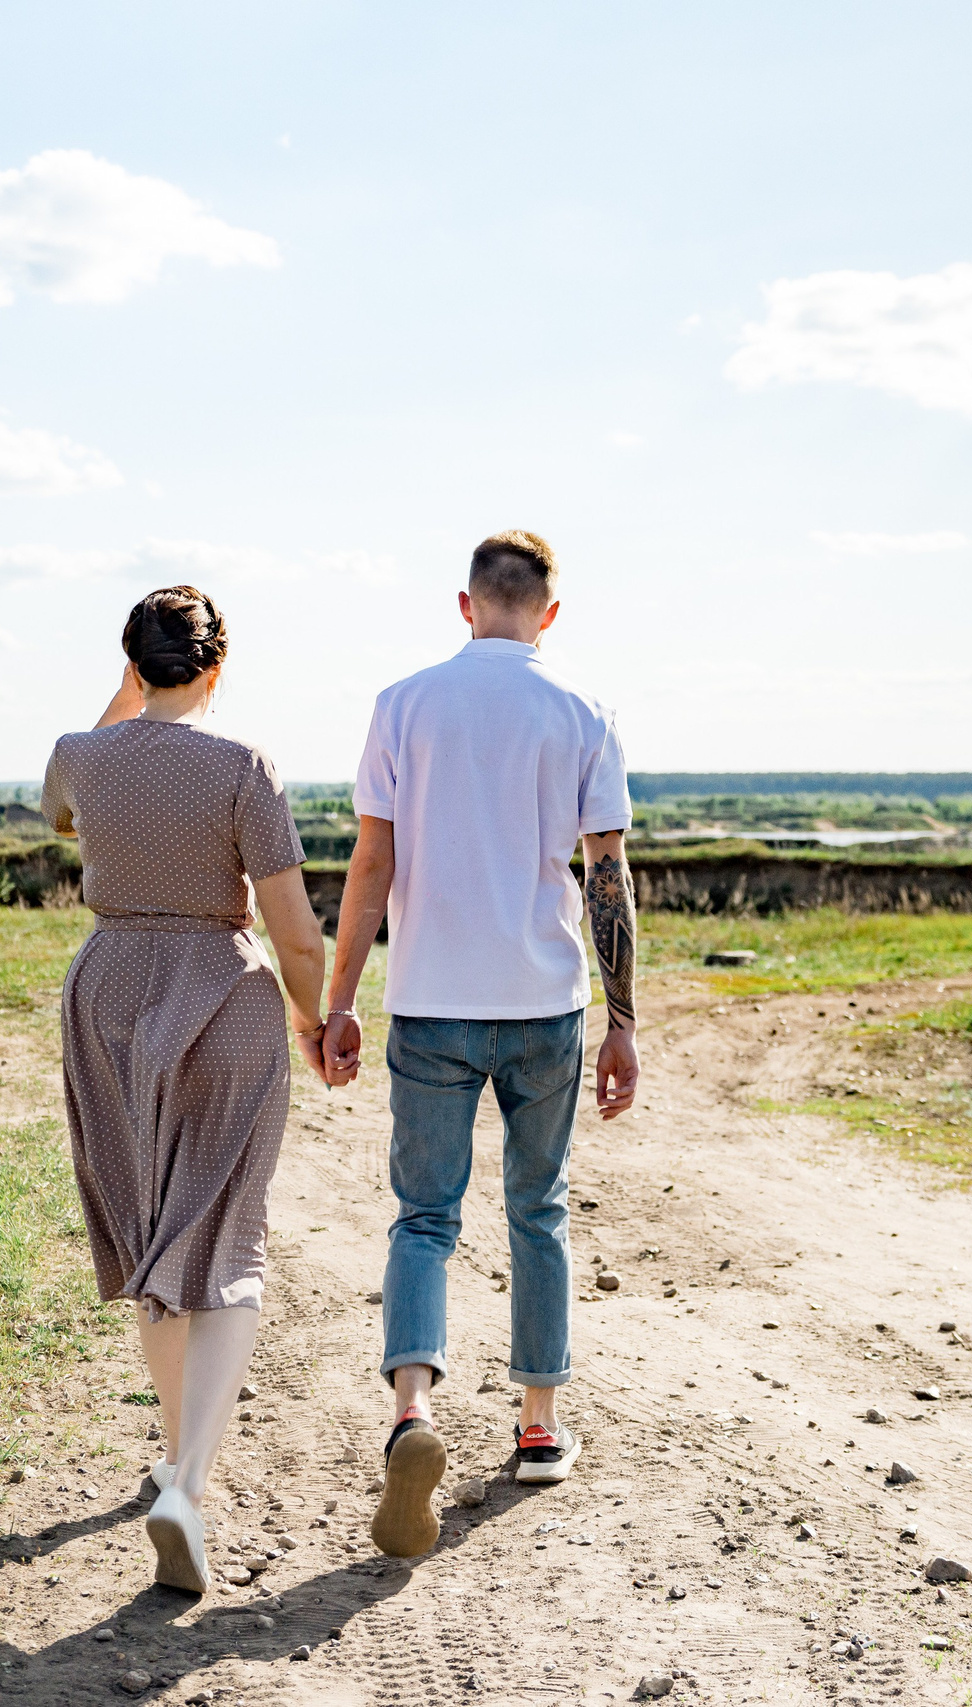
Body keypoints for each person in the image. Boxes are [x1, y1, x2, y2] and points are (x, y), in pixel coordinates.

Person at [319, 530, 640, 1558]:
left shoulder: (402, 705)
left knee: (423, 1216)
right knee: (536, 1210)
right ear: (548, 613)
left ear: (465, 606)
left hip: (429, 1001)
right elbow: (608, 881)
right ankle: (539, 1426)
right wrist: (623, 1016)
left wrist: (339, 1000)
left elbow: (371, 865)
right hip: (544, 1003)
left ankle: (412, 1409)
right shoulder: (583, 711)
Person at [42, 585, 332, 1594]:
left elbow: (58, 804)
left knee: (155, 1225)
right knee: (229, 1237)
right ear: (219, 666)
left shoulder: (80, 755)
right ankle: (187, 1483)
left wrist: (125, 692)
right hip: (220, 993)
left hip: (109, 991)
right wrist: (315, 1014)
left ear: (131, 661)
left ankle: (172, 1460)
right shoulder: (242, 765)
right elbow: (292, 926)